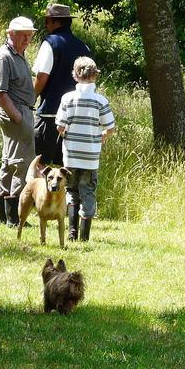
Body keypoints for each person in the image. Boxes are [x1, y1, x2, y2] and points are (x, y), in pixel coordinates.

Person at [56, 56, 115, 242]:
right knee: (88, 192)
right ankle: (84, 236)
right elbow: (110, 127)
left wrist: (67, 137)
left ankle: (72, 232)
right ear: (95, 75)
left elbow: (60, 126)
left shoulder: (67, 98)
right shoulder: (100, 101)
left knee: (72, 192)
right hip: (90, 157)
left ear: (75, 75)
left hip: (71, 156)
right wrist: (101, 137)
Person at [0, 16, 37, 227]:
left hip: (21, 112)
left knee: (9, 162)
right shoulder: (3, 57)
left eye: (30, 35)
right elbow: (0, 93)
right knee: (20, 164)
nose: (27, 38)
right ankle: (14, 217)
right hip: (16, 114)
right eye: (23, 35)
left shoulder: (18, 54)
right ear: (11, 34)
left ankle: (5, 216)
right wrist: (17, 116)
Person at [33, 3, 91, 170]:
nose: (46, 24)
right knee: (65, 166)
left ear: (57, 22)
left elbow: (42, 76)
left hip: (50, 114)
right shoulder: (83, 47)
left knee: (40, 164)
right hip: (76, 115)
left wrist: (31, 99)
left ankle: (41, 196)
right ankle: (64, 197)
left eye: (47, 20)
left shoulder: (51, 43)